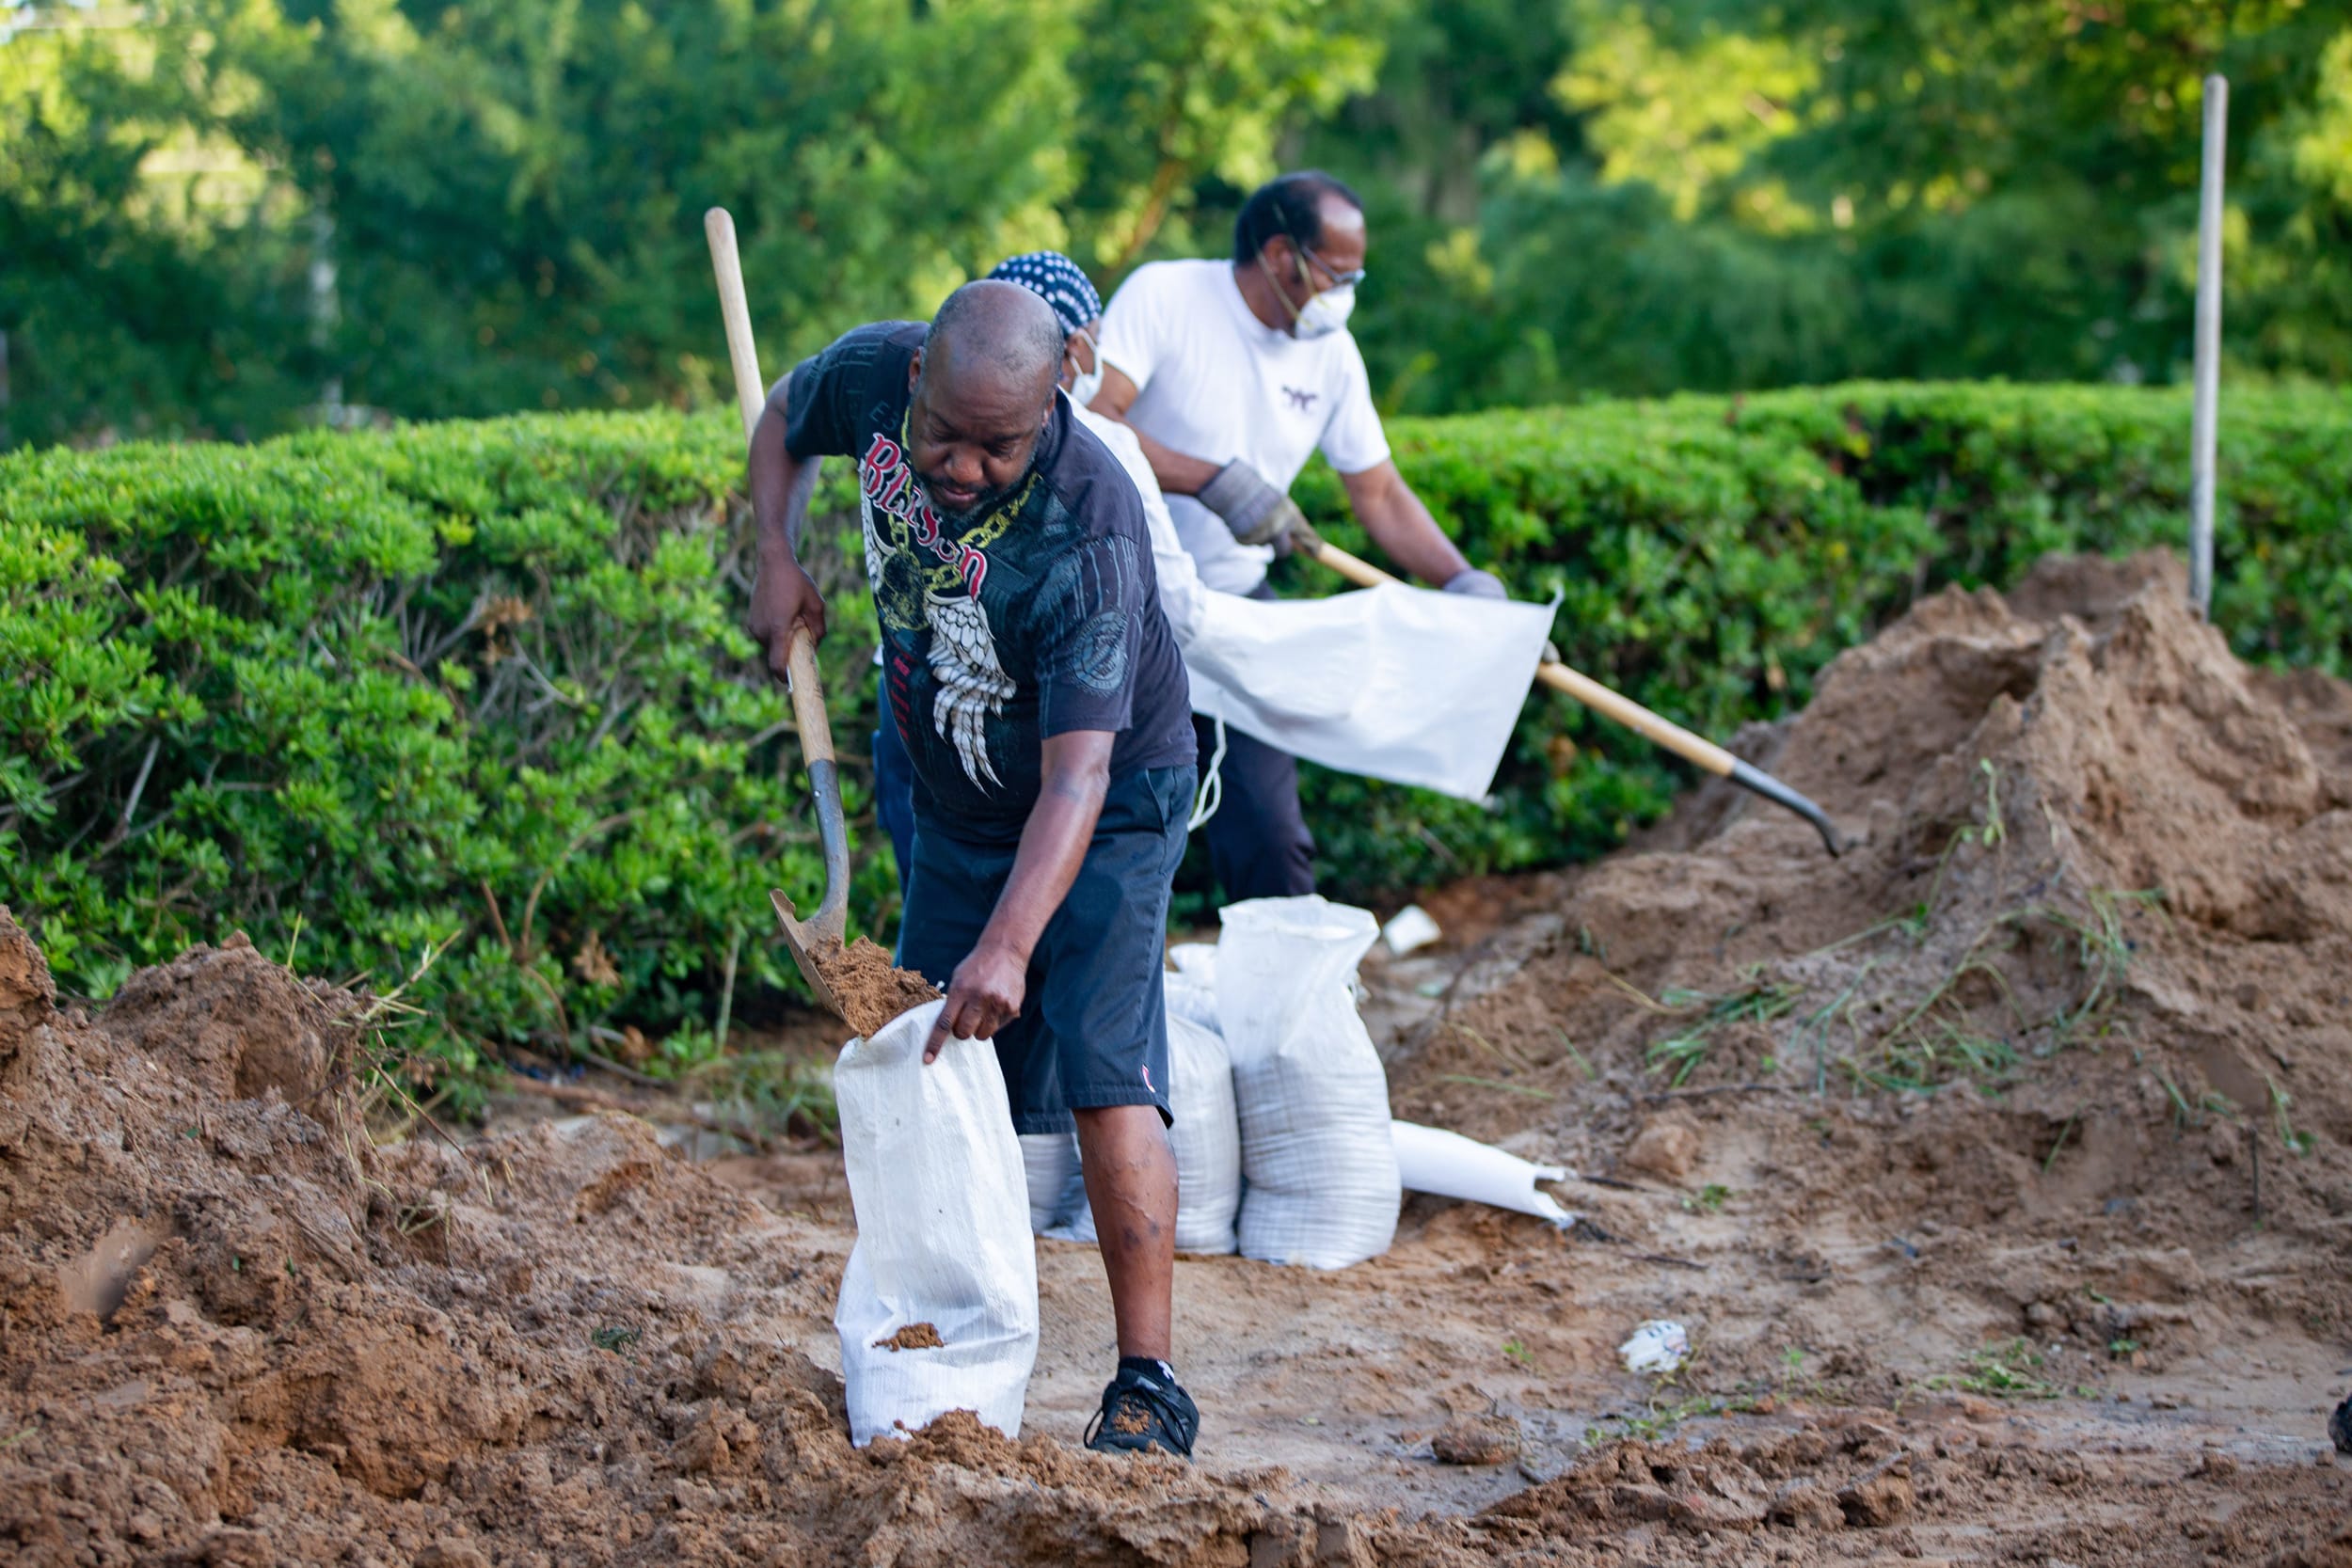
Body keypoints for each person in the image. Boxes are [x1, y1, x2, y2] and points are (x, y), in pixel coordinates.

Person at [743, 280, 1202, 1460]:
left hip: (1103, 801)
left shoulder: (1089, 530)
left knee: (1107, 1063)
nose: (959, 464)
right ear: (916, 382)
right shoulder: (875, 373)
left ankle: (1148, 1381)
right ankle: (930, 1338)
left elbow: (1078, 782)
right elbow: (783, 417)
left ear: (1054, 398)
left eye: (999, 445)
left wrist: (1008, 942)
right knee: (923, 1055)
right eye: (943, 433)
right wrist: (774, 557)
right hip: (957, 779)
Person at [1089, 169, 1504, 902]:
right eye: (1336, 274)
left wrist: (1461, 582)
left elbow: (1377, 491)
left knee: (1270, 836)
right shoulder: (1168, 297)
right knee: (1101, 823)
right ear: (1281, 254)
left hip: (1236, 610)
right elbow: (1092, 424)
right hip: (1122, 602)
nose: (1346, 294)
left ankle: (1287, 999)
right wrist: (1210, 477)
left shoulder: (1332, 354)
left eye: (1356, 276)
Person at [872, 250, 1214, 895]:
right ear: (1074, 349)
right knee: (992, 927)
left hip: (915, 696)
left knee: (947, 915)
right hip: (1014, 728)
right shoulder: (1105, 454)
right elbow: (1177, 607)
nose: (965, 469)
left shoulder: (930, 410)